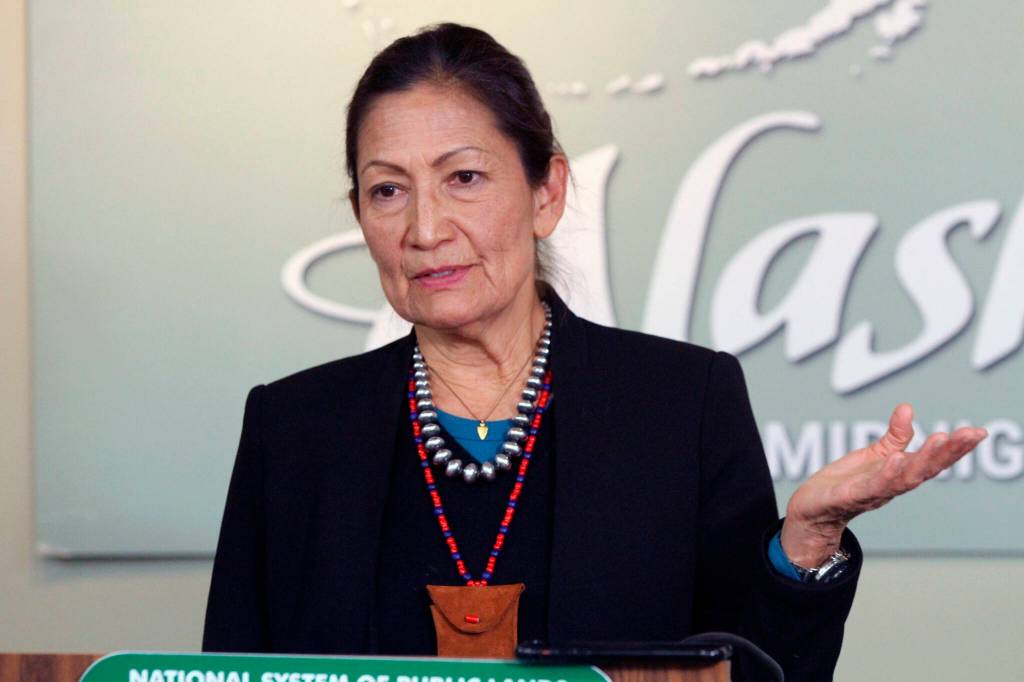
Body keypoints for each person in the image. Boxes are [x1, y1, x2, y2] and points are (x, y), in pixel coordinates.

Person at [202, 23, 987, 680]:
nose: (425, 229)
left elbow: (752, 672)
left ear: (547, 193)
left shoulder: (684, 402)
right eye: (387, 189)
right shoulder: (294, 428)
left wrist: (804, 544)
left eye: (464, 177)